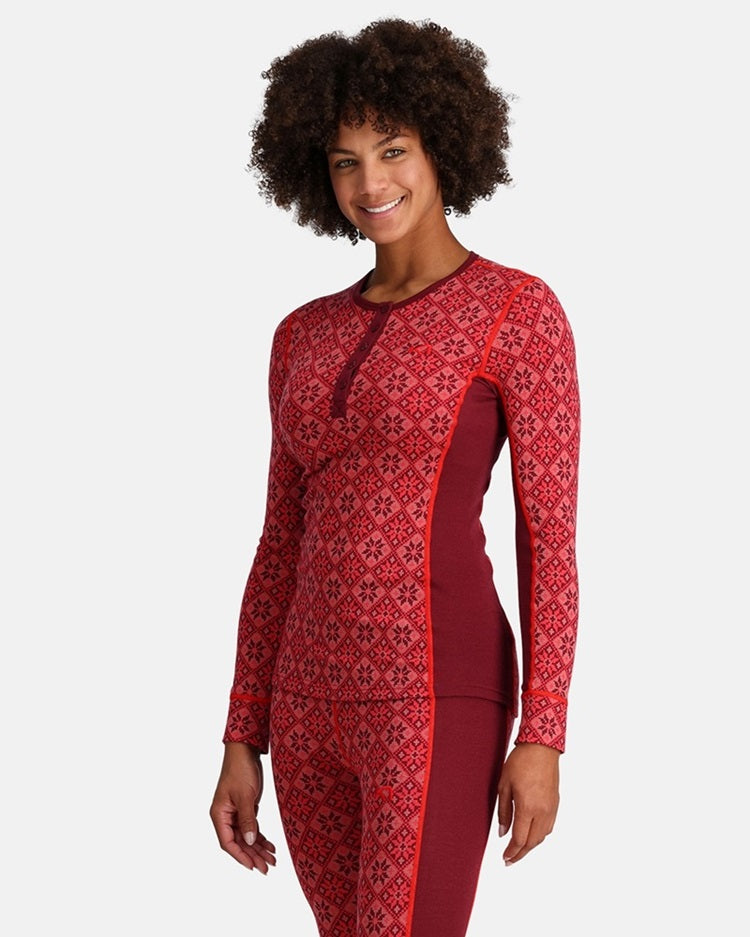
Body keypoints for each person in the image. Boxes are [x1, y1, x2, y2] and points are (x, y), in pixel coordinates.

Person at [210, 17, 581, 937]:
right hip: (304, 710)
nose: (370, 184)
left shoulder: (516, 312)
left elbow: (549, 538)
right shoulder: (301, 335)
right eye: (345, 162)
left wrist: (544, 729)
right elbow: (279, 542)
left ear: (442, 145)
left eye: (392, 150)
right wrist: (242, 733)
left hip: (433, 692)